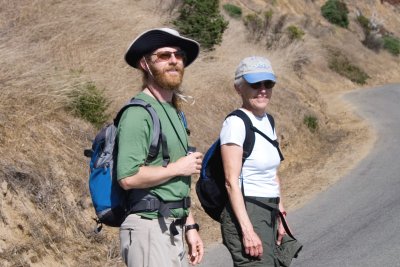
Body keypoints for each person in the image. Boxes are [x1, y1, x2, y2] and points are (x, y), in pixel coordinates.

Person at [117, 28, 204, 267]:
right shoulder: (137, 113)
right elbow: (127, 176)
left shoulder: (174, 113)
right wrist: (178, 168)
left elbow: (176, 186)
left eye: (178, 54)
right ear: (145, 64)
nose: (174, 60)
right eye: (164, 55)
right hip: (149, 229)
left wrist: (190, 226)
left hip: (172, 227)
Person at [219, 56, 287, 266]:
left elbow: (272, 174)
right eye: (255, 84)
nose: (263, 89)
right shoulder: (235, 124)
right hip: (248, 212)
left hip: (269, 209)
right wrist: (247, 230)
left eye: (268, 84)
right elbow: (231, 181)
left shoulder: (268, 120)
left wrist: (280, 213)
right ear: (238, 88)